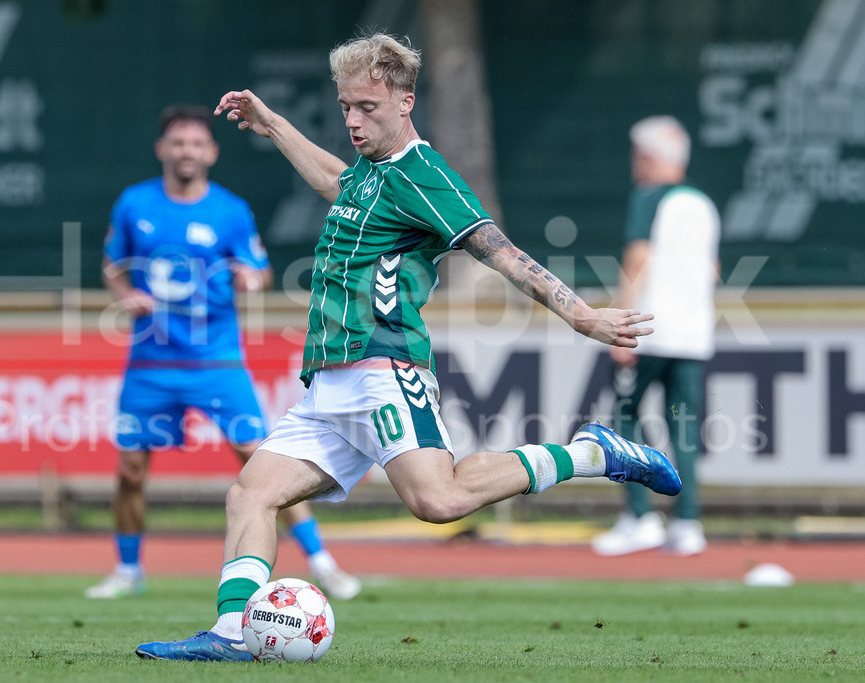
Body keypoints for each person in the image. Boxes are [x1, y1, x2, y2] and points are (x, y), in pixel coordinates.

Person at [135, 34, 681, 662]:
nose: (352, 120)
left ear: (404, 101)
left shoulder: (426, 175)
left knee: (438, 499)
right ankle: (231, 634)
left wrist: (582, 314)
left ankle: (590, 453)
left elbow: (499, 251)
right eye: (345, 107)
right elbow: (338, 182)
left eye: (366, 106)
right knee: (250, 493)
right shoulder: (370, 174)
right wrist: (275, 125)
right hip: (328, 383)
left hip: (382, 366)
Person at [86, 104, 361, 601]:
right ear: (162, 149)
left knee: (261, 462)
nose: (186, 151)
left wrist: (251, 280)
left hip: (216, 361)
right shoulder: (134, 203)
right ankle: (128, 570)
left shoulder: (230, 210)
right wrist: (125, 293)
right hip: (151, 363)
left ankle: (323, 562)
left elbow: (258, 270)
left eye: (196, 143)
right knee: (130, 470)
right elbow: (112, 266)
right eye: (178, 142)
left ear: (210, 152)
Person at [591, 116, 720, 557]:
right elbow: (712, 270)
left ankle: (641, 515)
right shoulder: (703, 204)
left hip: (650, 330)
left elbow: (638, 256)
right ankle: (689, 522)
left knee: (623, 417)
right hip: (693, 334)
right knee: (684, 427)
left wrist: (621, 327)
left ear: (647, 157)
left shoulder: (650, 197)